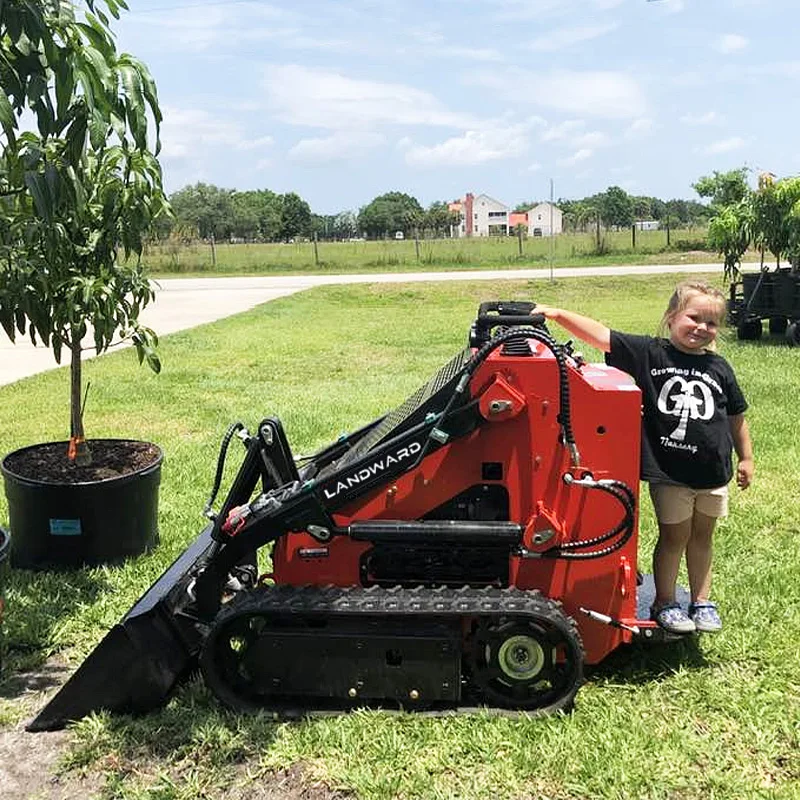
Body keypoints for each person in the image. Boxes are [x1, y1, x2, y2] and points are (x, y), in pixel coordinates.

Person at [534, 281, 754, 634]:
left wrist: (746, 458)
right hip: (670, 476)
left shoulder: (720, 368)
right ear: (671, 317)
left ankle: (702, 601)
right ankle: (665, 601)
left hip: (713, 476)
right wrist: (558, 314)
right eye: (694, 317)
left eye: (712, 323)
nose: (702, 328)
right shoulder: (650, 354)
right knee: (674, 538)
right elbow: (603, 337)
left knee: (702, 539)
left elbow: (736, 418)